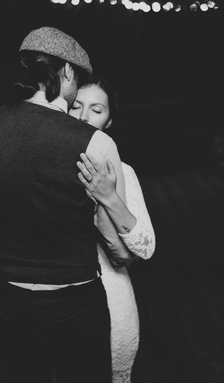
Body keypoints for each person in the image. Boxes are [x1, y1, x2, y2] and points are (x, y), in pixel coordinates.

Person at [0, 26, 135, 383]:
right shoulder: (95, 143)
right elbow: (113, 236)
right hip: (74, 300)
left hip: (6, 295)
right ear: (67, 72)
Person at [70, 76, 156, 383]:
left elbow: (144, 248)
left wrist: (107, 195)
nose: (83, 116)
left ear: (108, 122)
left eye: (96, 109)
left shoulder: (124, 172)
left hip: (113, 304)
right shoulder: (41, 162)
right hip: (56, 309)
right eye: (76, 105)